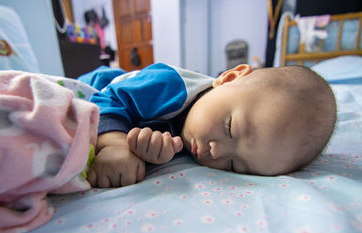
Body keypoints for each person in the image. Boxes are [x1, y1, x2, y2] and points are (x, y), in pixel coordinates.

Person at [80, 63, 336, 188]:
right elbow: (108, 97)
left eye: (235, 165)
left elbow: (146, 137)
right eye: (230, 128)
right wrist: (113, 144)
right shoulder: (170, 86)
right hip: (96, 83)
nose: (217, 152)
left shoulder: (197, 138)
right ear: (229, 78)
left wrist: (150, 152)